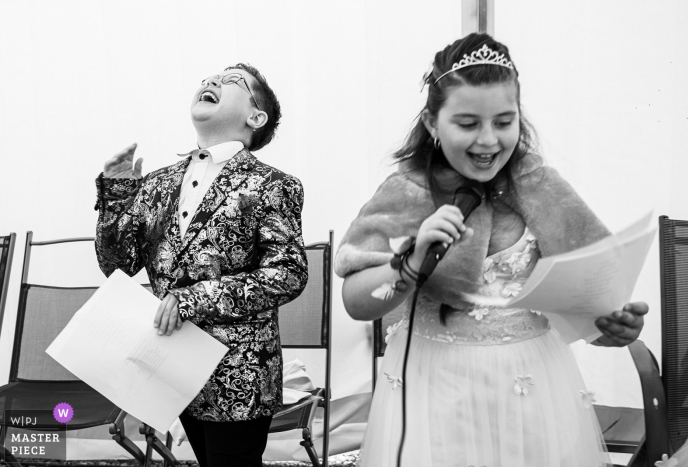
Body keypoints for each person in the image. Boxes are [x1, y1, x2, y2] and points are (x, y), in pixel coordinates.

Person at [335, 33, 648, 467]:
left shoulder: (544, 185)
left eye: (504, 122)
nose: (488, 141)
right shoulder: (406, 191)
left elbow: (588, 297)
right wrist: (410, 261)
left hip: (534, 385)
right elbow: (357, 303)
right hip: (434, 389)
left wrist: (614, 327)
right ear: (431, 124)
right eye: (467, 124)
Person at [94, 63, 308, 467]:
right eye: (209, 78)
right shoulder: (157, 183)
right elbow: (117, 264)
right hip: (173, 367)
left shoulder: (274, 185)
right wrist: (118, 197)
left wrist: (191, 299)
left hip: (239, 372)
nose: (211, 82)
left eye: (230, 82)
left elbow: (288, 273)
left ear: (255, 117)